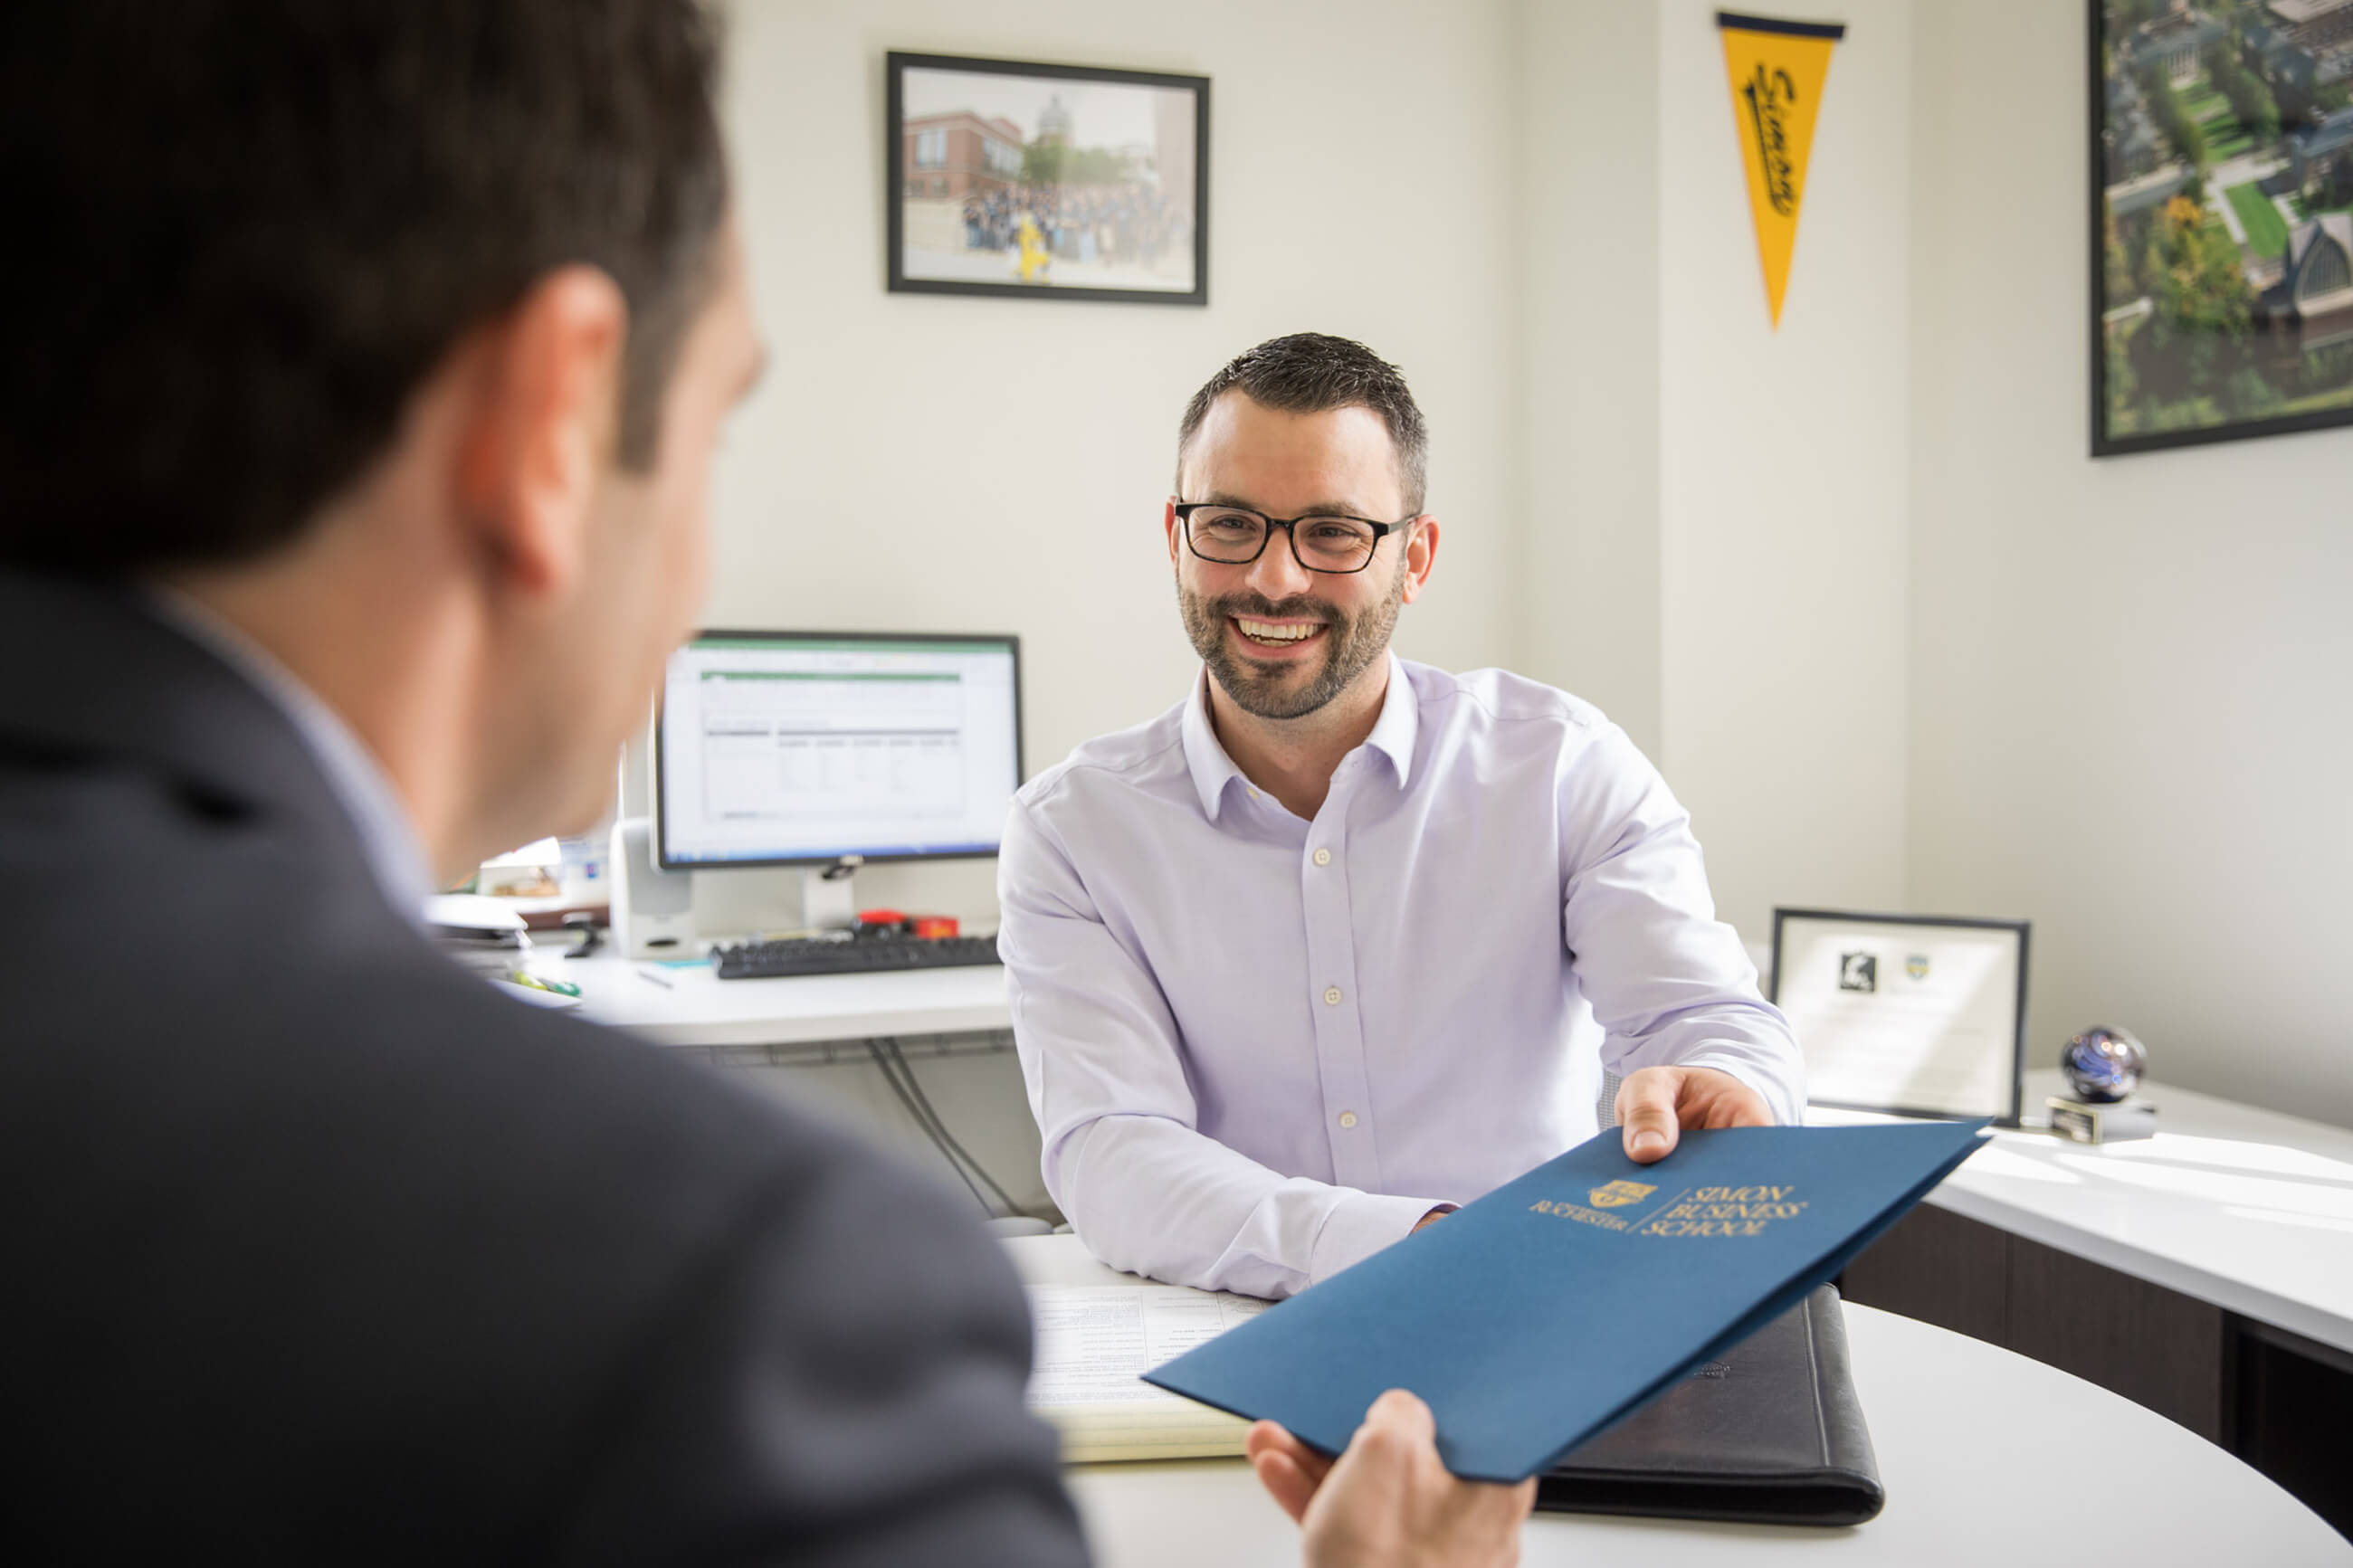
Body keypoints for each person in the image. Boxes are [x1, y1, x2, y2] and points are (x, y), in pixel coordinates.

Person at [0, 7, 1530, 1563]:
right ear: (551, 424)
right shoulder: (745, 1306)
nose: (1276, 574)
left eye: (1326, 532)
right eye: (717, 423)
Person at [998, 332, 1806, 1298]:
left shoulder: (1558, 767)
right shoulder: (1074, 830)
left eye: (1332, 531)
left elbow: (1700, 1016)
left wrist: (1723, 1082)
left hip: (1542, 1310)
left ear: (1413, 556)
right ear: (1176, 536)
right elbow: (1112, 1152)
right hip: (1237, 1332)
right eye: (1229, 524)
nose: (1274, 578)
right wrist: (1421, 1242)